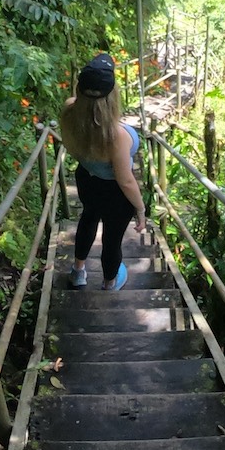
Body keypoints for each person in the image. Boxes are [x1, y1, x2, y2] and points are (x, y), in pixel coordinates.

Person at [58, 53, 146, 289]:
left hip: (87, 180)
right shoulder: (116, 135)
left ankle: (78, 271)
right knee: (111, 239)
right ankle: (109, 282)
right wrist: (140, 208)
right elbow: (125, 180)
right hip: (115, 194)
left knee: (88, 218)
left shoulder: (69, 113)